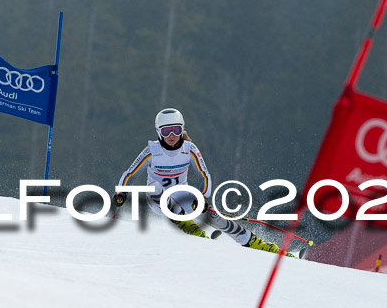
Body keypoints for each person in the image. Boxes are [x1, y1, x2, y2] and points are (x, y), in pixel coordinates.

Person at [113, 107, 292, 255]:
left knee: (214, 217)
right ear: (159, 132)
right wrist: (121, 192)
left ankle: (259, 244)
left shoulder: (189, 149)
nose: (172, 135)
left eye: (176, 129)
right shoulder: (152, 151)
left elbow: (204, 175)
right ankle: (194, 231)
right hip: (157, 199)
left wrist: (203, 197)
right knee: (155, 187)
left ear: (182, 128)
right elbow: (130, 174)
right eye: (166, 131)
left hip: (181, 193)